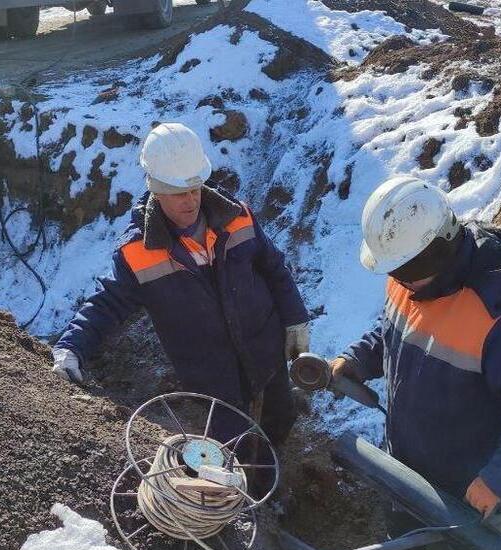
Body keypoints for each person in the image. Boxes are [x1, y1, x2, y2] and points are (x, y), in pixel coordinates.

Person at [332, 176, 501, 550]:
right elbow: (393, 329)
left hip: (477, 496)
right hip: (413, 470)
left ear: (437, 251)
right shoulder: (410, 279)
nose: (400, 281)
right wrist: (359, 359)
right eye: (395, 270)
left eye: (406, 269)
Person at [51, 122, 310, 445]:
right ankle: (242, 494)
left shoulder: (237, 217)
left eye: (195, 189)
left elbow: (274, 267)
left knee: (279, 421)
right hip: (214, 380)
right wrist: (71, 346)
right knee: (233, 448)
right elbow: (107, 303)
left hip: (265, 352)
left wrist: (295, 319)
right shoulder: (139, 252)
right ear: (156, 190)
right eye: (178, 193)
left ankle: (271, 487)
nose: (190, 201)